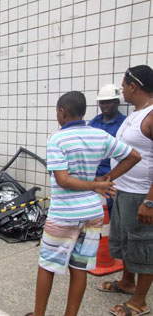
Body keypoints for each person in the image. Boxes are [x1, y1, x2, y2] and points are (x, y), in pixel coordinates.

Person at [26, 91, 141, 316]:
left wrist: (97, 185)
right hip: (92, 213)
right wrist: (105, 180)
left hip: (64, 214)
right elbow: (134, 156)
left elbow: (63, 179)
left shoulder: (57, 139)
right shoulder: (99, 135)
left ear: (62, 111)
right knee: (79, 268)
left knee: (47, 265)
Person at [97, 65, 153, 316]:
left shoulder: (151, 115)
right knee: (126, 242)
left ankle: (139, 301)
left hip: (142, 194)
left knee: (143, 245)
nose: (121, 91)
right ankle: (127, 282)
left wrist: (150, 202)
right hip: (123, 190)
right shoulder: (135, 112)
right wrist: (107, 179)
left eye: (123, 86)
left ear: (134, 86)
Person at [88, 84, 127, 215]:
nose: (104, 105)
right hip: (94, 176)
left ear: (117, 102)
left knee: (108, 214)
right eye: (101, 102)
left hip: (113, 177)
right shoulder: (94, 122)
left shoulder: (124, 123)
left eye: (108, 102)